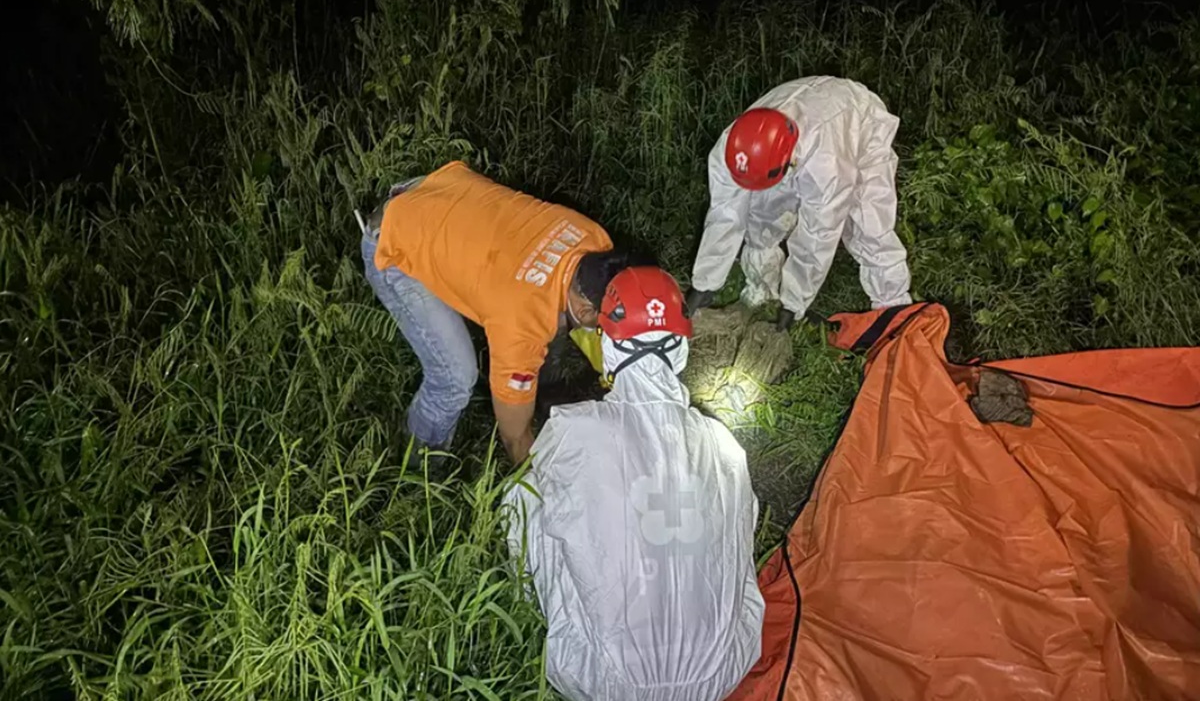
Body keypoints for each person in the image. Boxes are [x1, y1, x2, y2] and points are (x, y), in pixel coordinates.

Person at [504, 266, 764, 701]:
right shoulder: (724, 447)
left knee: (525, 499)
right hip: (721, 673)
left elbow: (524, 515)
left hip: (602, 679)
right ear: (681, 348)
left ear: (607, 344)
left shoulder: (575, 431)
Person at [357, 160, 633, 470]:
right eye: (601, 323)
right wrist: (542, 492)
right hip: (393, 239)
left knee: (551, 321)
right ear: (584, 309)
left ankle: (538, 393)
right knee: (454, 377)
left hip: (433, 192)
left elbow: (561, 305)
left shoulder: (593, 238)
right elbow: (514, 438)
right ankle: (417, 470)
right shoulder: (521, 328)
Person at [686, 76, 913, 329]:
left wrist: (794, 302)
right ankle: (762, 294)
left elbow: (818, 234)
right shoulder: (731, 146)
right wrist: (704, 282)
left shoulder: (826, 165)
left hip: (858, 121)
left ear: (790, 161)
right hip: (801, 123)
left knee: (867, 224)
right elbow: (725, 213)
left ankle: (894, 310)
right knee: (760, 216)